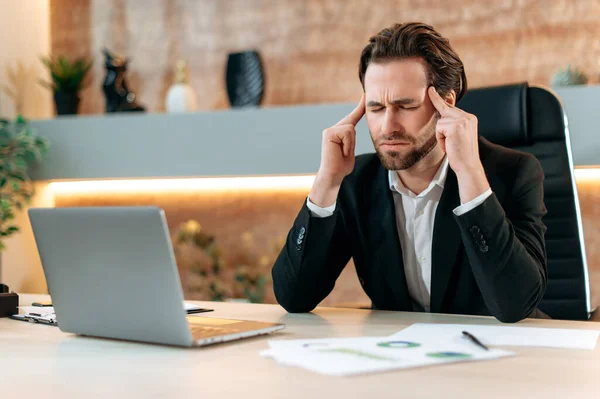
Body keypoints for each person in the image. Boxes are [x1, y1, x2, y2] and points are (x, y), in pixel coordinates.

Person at [272, 22, 548, 323]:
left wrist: (470, 174)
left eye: (405, 106)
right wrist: (326, 182)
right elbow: (294, 297)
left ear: (446, 104)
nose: (387, 127)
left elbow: (516, 305)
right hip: (400, 356)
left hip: (497, 358)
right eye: (376, 109)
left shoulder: (513, 173)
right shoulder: (356, 183)